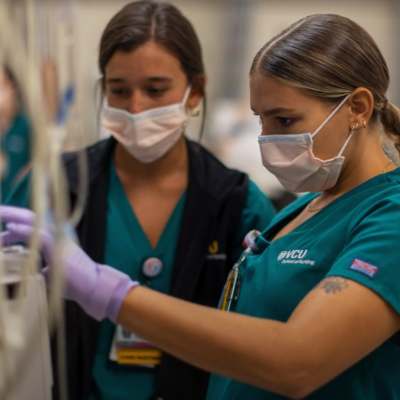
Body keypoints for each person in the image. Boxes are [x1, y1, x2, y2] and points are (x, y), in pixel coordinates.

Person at [4, 12, 400, 400]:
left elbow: (296, 360)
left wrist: (109, 292)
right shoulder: (303, 211)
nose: (266, 140)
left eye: (284, 120)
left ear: (359, 109)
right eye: (260, 120)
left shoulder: (387, 216)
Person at [5, 1, 276, 399]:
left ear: (195, 92)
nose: (135, 108)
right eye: (119, 90)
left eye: (155, 89)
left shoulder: (235, 203)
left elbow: (263, 334)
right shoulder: (55, 189)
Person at [0, 66, 31, 200]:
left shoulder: (25, 127)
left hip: (17, 209)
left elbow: (37, 164)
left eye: (1, 87)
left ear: (13, 89)